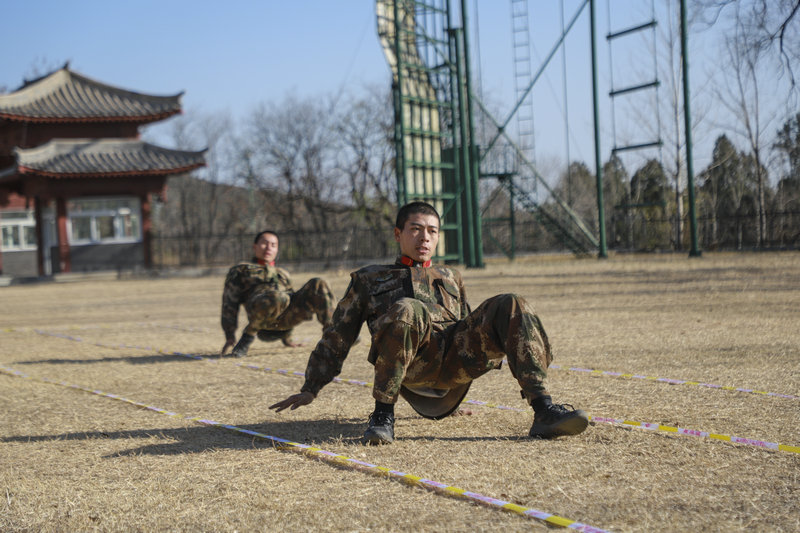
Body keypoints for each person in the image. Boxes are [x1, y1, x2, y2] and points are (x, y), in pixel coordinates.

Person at [270, 202, 588, 444]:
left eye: (432, 231)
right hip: (412, 365)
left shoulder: (451, 276)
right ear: (398, 234)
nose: (425, 237)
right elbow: (338, 336)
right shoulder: (369, 279)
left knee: (512, 302)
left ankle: (543, 409)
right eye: (415, 229)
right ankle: (382, 417)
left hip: (452, 363)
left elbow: (467, 327)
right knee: (410, 309)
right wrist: (311, 387)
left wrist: (456, 398)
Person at [221, 230, 336, 358]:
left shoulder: (283, 273)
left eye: (273, 245)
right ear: (255, 247)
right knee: (277, 297)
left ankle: (334, 335)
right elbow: (229, 303)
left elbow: (292, 300)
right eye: (264, 244)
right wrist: (229, 336)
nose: (269, 248)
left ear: (277, 249)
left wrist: (288, 340)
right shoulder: (241, 270)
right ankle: (246, 340)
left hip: (284, 318)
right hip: (261, 319)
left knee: (319, 283)